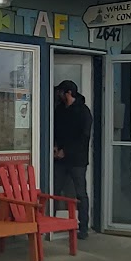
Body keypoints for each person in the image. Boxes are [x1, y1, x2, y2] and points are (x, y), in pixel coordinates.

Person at [53, 80, 92, 240]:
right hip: (60, 160)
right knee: (54, 191)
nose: (58, 95)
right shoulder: (59, 109)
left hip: (77, 160)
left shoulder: (83, 112)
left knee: (80, 194)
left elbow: (84, 137)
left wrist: (66, 151)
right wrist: (55, 146)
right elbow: (54, 129)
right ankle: (52, 224)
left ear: (68, 93)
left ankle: (83, 228)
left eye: (60, 92)